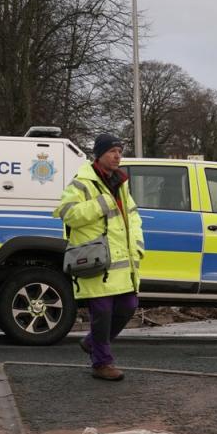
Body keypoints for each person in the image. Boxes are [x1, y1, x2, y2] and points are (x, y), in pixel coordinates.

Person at [53, 134, 144, 381]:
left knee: (128, 305)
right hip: (95, 258)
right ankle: (102, 363)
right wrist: (102, 203)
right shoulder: (83, 182)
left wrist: (137, 244)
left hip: (120, 259)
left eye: (120, 151)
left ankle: (92, 342)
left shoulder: (121, 182)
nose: (117, 156)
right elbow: (67, 213)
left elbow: (132, 216)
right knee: (102, 312)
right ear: (99, 154)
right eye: (112, 151)